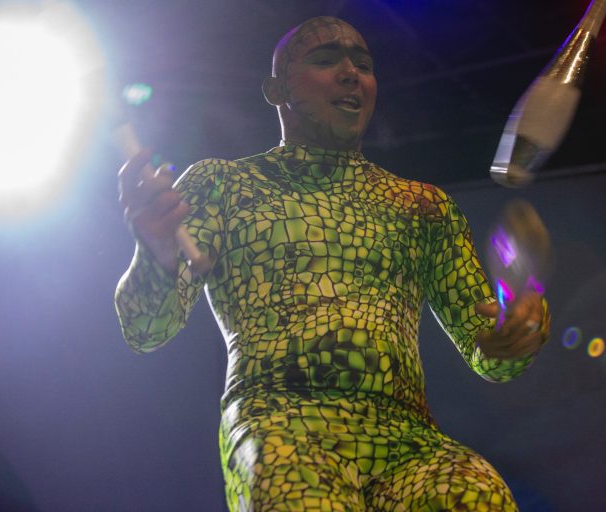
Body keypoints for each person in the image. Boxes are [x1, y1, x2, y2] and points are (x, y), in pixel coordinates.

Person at [115, 16, 550, 512]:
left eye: (363, 64)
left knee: (478, 493)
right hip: (280, 421)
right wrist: (155, 254)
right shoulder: (222, 184)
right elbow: (145, 330)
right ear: (276, 89)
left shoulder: (423, 206)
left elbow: (488, 349)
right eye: (325, 60)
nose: (350, 73)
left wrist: (516, 333)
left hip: (406, 439)